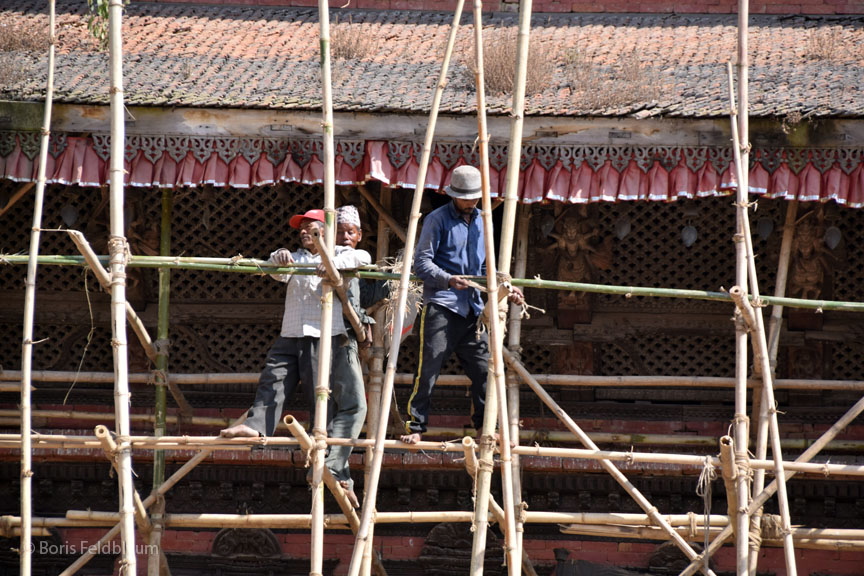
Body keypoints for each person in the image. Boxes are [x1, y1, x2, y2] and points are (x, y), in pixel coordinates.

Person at [220, 208, 371, 507]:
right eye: (300, 229)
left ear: (326, 230)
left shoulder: (343, 252)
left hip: (324, 335)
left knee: (326, 406)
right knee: (272, 380)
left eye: (310, 227)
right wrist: (278, 257)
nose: (303, 232)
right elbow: (279, 272)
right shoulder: (297, 258)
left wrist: (331, 262)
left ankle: (336, 471)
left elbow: (361, 258)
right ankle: (256, 426)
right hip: (291, 334)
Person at [400, 165, 522, 445]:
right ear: (454, 196)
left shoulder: (483, 220)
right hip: (442, 305)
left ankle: (484, 427)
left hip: (472, 310)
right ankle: (415, 426)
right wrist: (446, 279)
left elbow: (482, 268)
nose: (472, 202)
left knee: (484, 370)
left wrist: (505, 287)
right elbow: (422, 262)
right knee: (428, 368)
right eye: (467, 198)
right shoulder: (437, 219)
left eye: (475, 197)